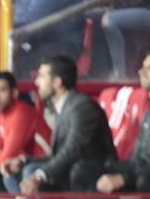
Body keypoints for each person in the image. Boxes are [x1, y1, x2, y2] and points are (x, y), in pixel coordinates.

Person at [75, 49, 150, 193]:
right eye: (142, 67)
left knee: (144, 182)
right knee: (82, 171)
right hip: (138, 168)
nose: (141, 72)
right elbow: (138, 154)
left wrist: (125, 177)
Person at [17, 55, 116, 194]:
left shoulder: (82, 106)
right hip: (72, 167)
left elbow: (72, 150)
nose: (37, 82)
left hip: (88, 171)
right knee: (23, 169)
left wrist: (39, 175)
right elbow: (58, 154)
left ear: (57, 82)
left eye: (41, 76)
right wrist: (24, 160)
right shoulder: (65, 106)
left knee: (32, 171)